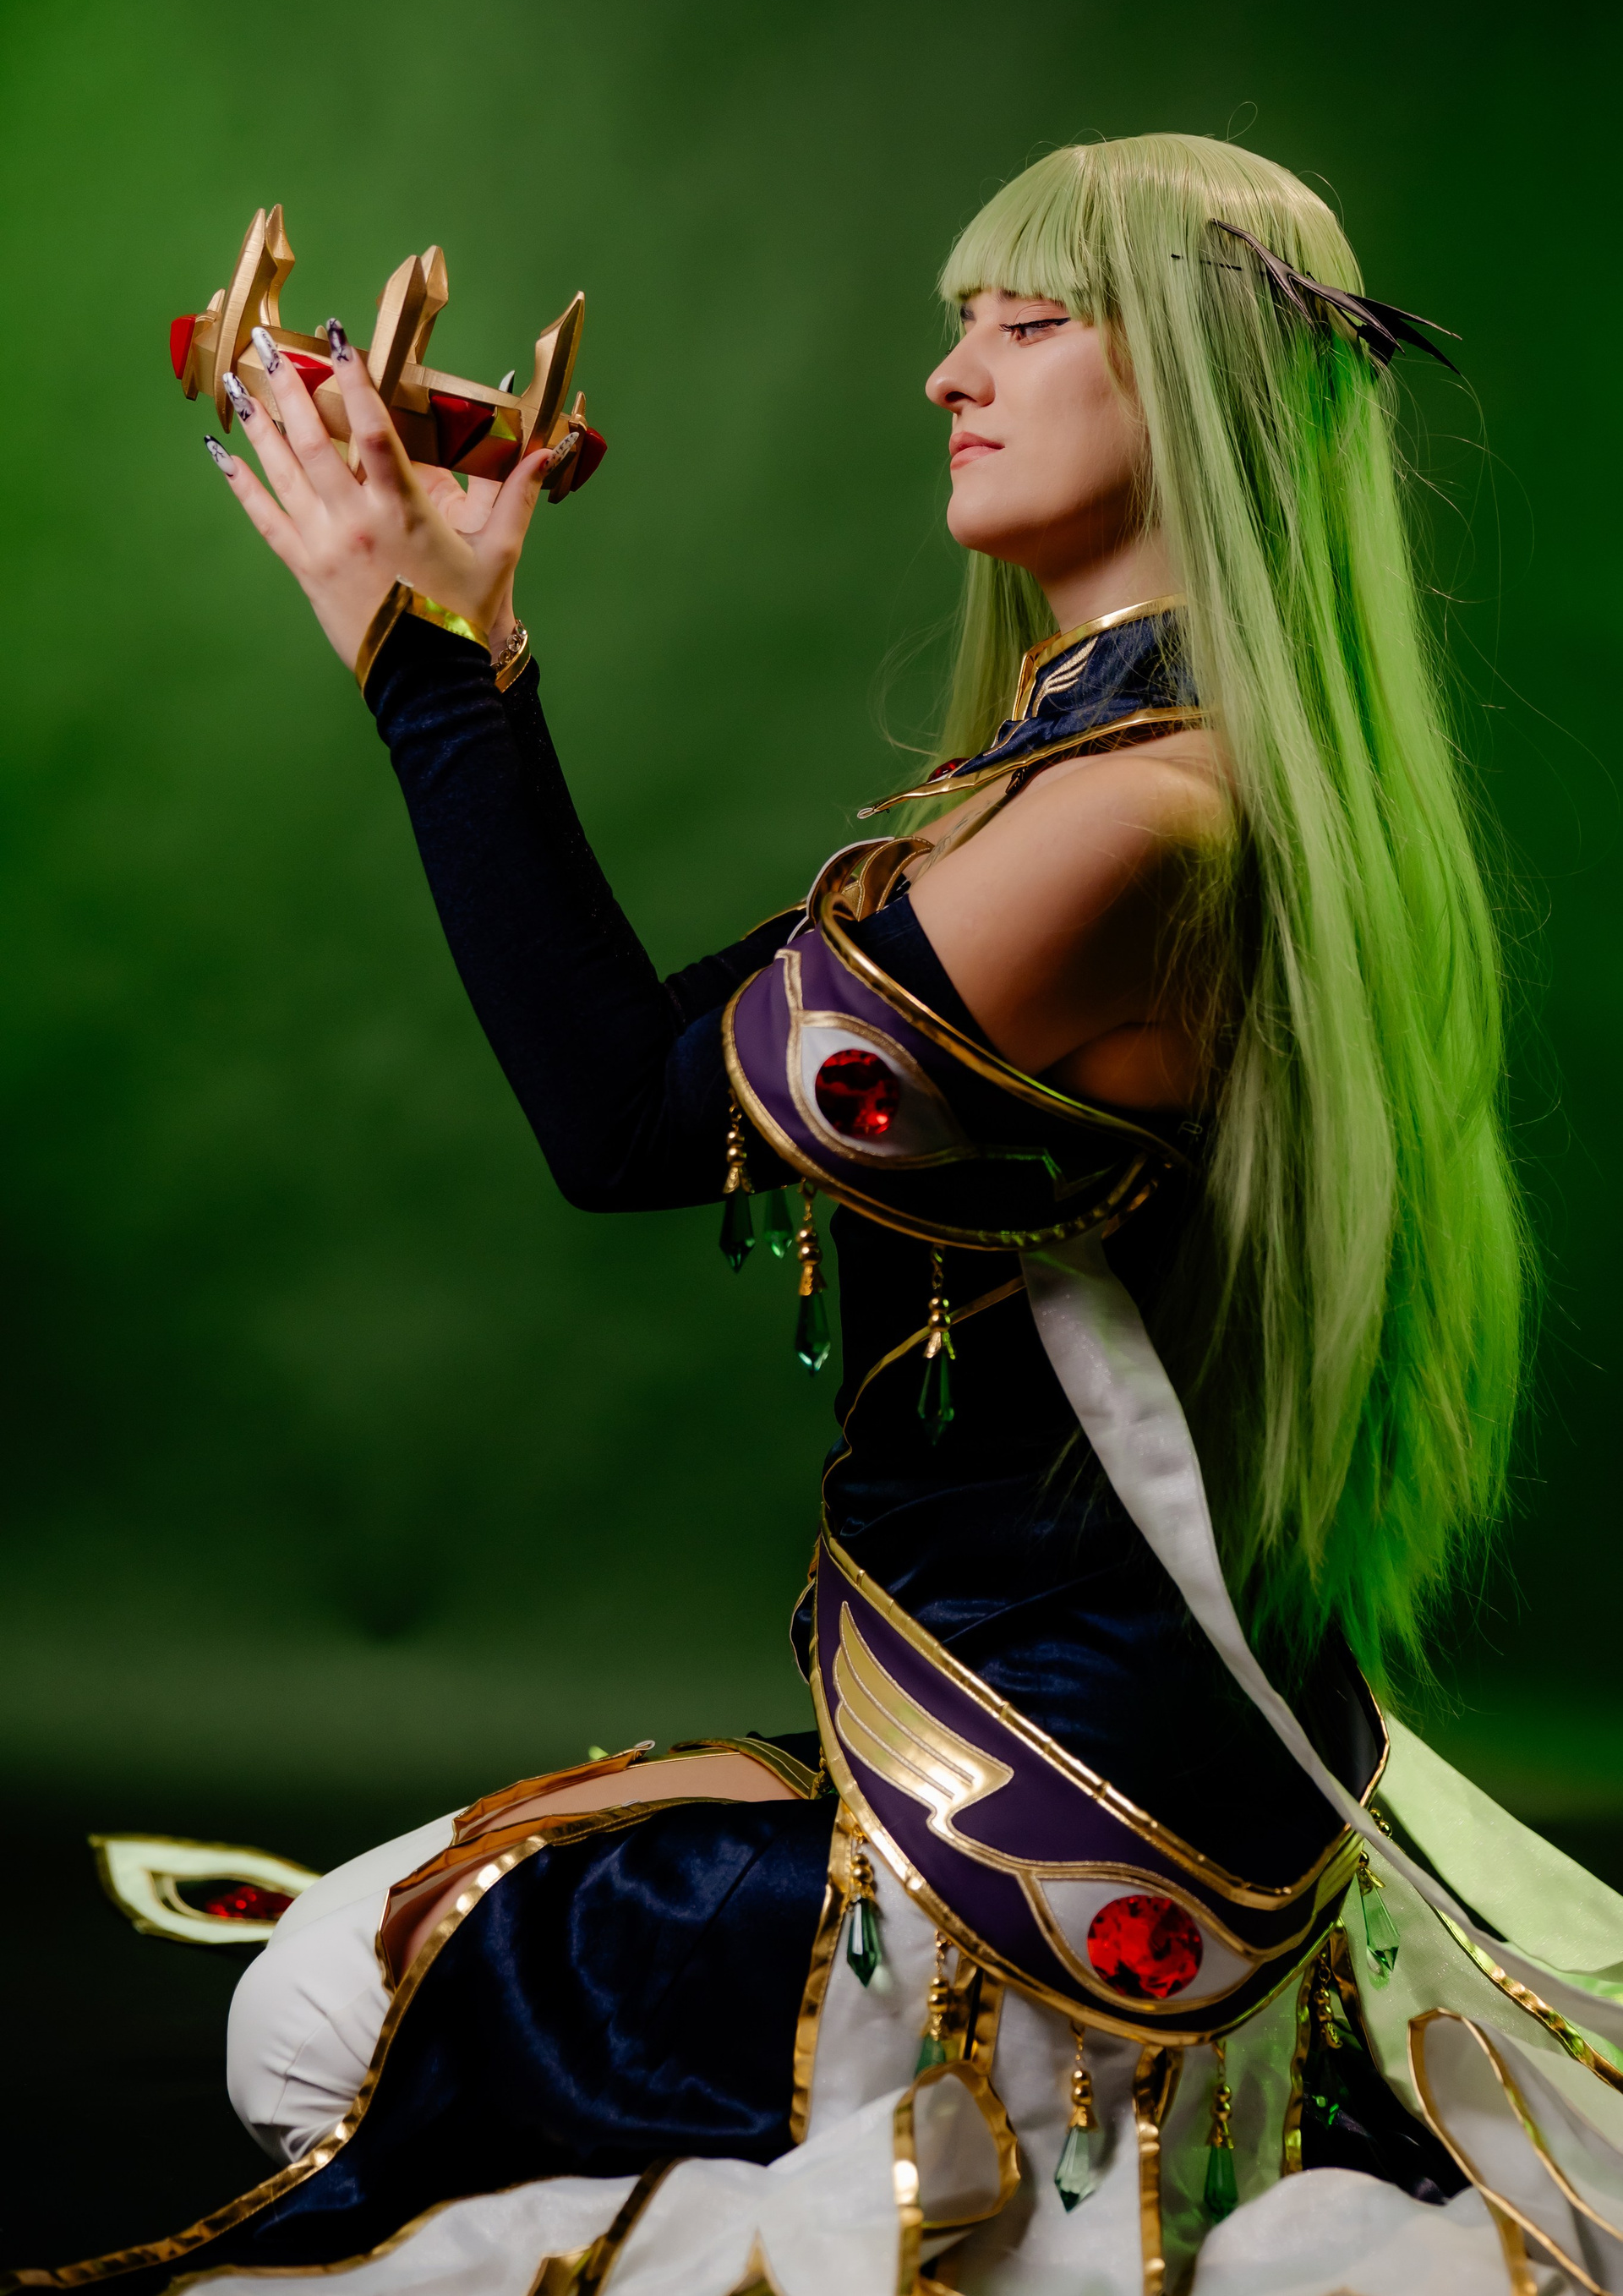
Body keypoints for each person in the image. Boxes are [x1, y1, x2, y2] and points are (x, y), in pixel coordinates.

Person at [21, 135, 1623, 2296]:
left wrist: (413, 657)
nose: (953, 376)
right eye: (962, 324)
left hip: (1062, 1856)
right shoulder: (1090, 784)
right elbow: (669, 1047)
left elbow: (624, 1118)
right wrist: (465, 631)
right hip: (1030, 1759)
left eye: (1029, 324)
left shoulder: (1138, 825)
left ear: (1205, 383)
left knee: (313, 2011)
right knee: (357, 1960)